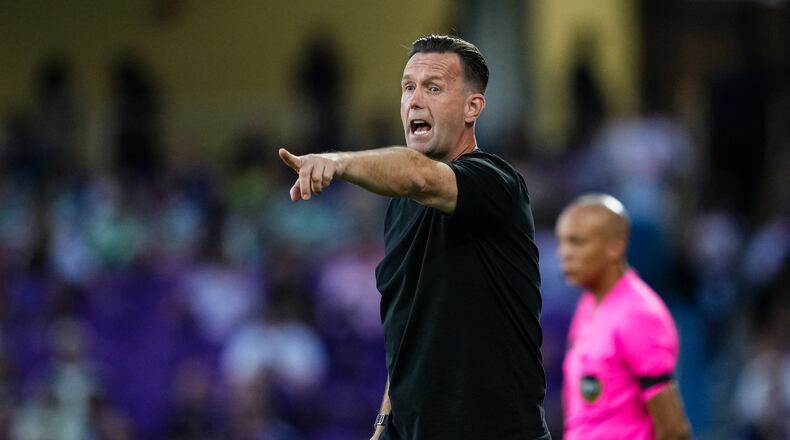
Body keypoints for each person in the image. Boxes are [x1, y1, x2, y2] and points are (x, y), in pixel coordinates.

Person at [278, 35, 551, 440]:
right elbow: (407, 336)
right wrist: (383, 425)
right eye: (408, 87)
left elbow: (418, 174)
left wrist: (337, 162)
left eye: (434, 88)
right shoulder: (401, 209)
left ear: (472, 107)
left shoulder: (497, 183)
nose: (415, 100)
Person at [555, 194, 691, 440]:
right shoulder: (589, 303)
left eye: (577, 242)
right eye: (562, 242)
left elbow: (674, 430)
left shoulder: (638, 314)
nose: (564, 253)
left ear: (615, 246)